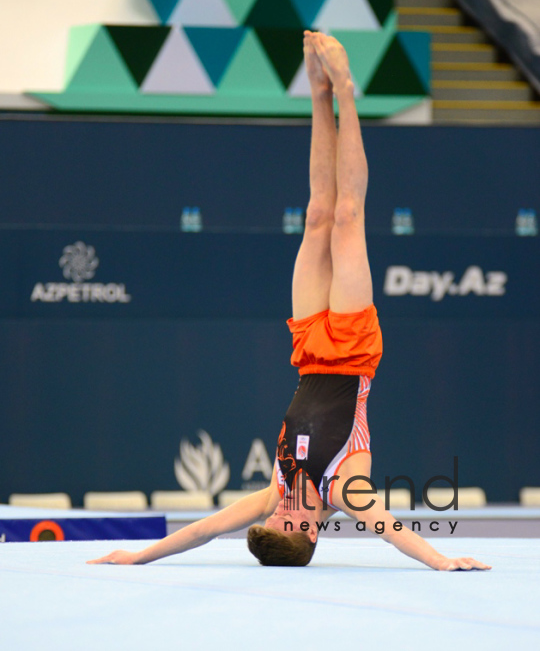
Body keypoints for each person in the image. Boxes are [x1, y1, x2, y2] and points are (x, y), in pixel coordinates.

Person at [89, 32, 490, 572]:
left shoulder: (278, 490)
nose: (281, 506)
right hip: (350, 353)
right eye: (285, 519)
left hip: (306, 349)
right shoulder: (349, 492)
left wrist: (140, 556)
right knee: (348, 218)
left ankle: (317, 91)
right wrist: (441, 561)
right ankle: (347, 90)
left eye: (275, 513)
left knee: (317, 215)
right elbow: (394, 532)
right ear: (308, 533)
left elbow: (206, 528)